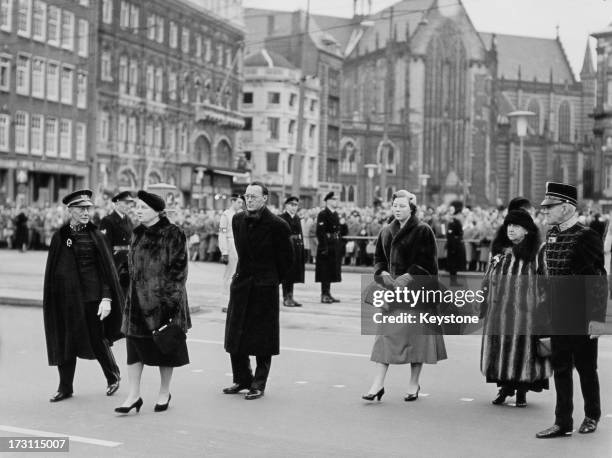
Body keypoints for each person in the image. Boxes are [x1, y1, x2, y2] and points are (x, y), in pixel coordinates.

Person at [536, 182, 608, 438]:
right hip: (559, 314)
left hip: (580, 315)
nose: (544, 212)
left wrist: (597, 320)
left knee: (586, 368)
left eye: (549, 207)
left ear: (566, 208)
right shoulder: (552, 235)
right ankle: (562, 420)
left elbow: (597, 279)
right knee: (561, 367)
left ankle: (591, 415)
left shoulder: (586, 236)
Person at [363, 190, 447, 402]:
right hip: (392, 293)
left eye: (402, 206)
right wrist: (381, 273)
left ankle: (413, 383)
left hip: (416, 294)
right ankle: (377, 384)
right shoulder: (385, 231)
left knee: (416, 341)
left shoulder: (423, 230)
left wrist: (410, 275)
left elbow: (429, 263)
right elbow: (379, 259)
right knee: (385, 339)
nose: (397, 209)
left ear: (411, 208)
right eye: (395, 206)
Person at [43, 189, 123, 402]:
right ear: (70, 210)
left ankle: (112, 376)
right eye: (81, 209)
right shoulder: (60, 236)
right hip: (66, 299)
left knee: (97, 339)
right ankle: (65, 387)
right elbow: (53, 270)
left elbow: (107, 271)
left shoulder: (97, 235)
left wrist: (107, 298)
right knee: (65, 340)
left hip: (92, 297)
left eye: (88, 208)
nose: (86, 212)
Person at [115, 190, 191, 414]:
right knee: (134, 349)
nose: (137, 210)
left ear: (158, 212)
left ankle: (164, 392)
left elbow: (179, 271)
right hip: (137, 302)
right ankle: (133, 395)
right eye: (136, 207)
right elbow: (132, 264)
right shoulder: (137, 232)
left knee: (164, 348)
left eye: (143, 208)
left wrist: (168, 302)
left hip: (163, 302)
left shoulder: (173, 233)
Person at [223, 182, 292, 400]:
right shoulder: (237, 220)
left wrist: (271, 280)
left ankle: (258, 383)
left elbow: (286, 261)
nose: (249, 200)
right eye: (247, 196)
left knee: (263, 337)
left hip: (265, 286)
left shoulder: (278, 225)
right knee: (236, 334)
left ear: (265, 199)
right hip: (242, 284)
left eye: (254, 196)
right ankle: (242, 378)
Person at [480, 210, 551, 408]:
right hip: (499, 312)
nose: (510, 229)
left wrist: (542, 308)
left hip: (526, 314)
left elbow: (547, 282)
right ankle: (505, 387)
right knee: (500, 351)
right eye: (509, 225)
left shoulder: (538, 251)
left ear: (527, 230)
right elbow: (487, 277)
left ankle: (521, 391)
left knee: (524, 351)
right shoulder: (499, 250)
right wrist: (483, 301)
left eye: (516, 226)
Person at [100, 191, 135, 297]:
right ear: (117, 203)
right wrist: (110, 265)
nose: (129, 206)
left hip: (128, 261)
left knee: (128, 293)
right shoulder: (108, 220)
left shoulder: (128, 220)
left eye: (130, 203)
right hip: (116, 262)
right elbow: (104, 246)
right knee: (118, 293)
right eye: (126, 203)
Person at [315, 192, 343, 303]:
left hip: (334, 245)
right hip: (326, 245)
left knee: (331, 270)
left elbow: (339, 231)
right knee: (325, 271)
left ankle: (328, 293)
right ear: (328, 201)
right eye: (334, 199)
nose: (336, 201)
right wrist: (323, 247)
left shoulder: (335, 214)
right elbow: (320, 232)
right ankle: (324, 294)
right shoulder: (323, 214)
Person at [218, 194, 244, 313]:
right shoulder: (226, 215)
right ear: (232, 201)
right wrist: (224, 251)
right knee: (228, 275)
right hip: (230, 243)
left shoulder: (242, 214)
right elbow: (222, 234)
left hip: (239, 245)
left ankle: (236, 302)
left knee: (238, 275)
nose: (241, 204)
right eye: (238, 202)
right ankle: (225, 303)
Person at [279, 196, 305, 307]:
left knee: (294, 273)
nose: (294, 207)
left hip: (297, 247)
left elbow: (300, 234)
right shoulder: (282, 217)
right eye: (291, 205)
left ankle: (291, 296)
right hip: (287, 248)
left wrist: (302, 249)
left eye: (296, 205)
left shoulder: (297, 218)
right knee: (287, 274)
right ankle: (286, 297)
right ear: (286, 205)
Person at [445, 201, 466, 286]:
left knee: (454, 265)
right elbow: (450, 235)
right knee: (452, 266)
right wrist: (453, 247)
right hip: (453, 246)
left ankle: (454, 281)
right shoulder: (451, 222)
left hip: (455, 246)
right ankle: (453, 281)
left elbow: (460, 233)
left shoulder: (455, 221)